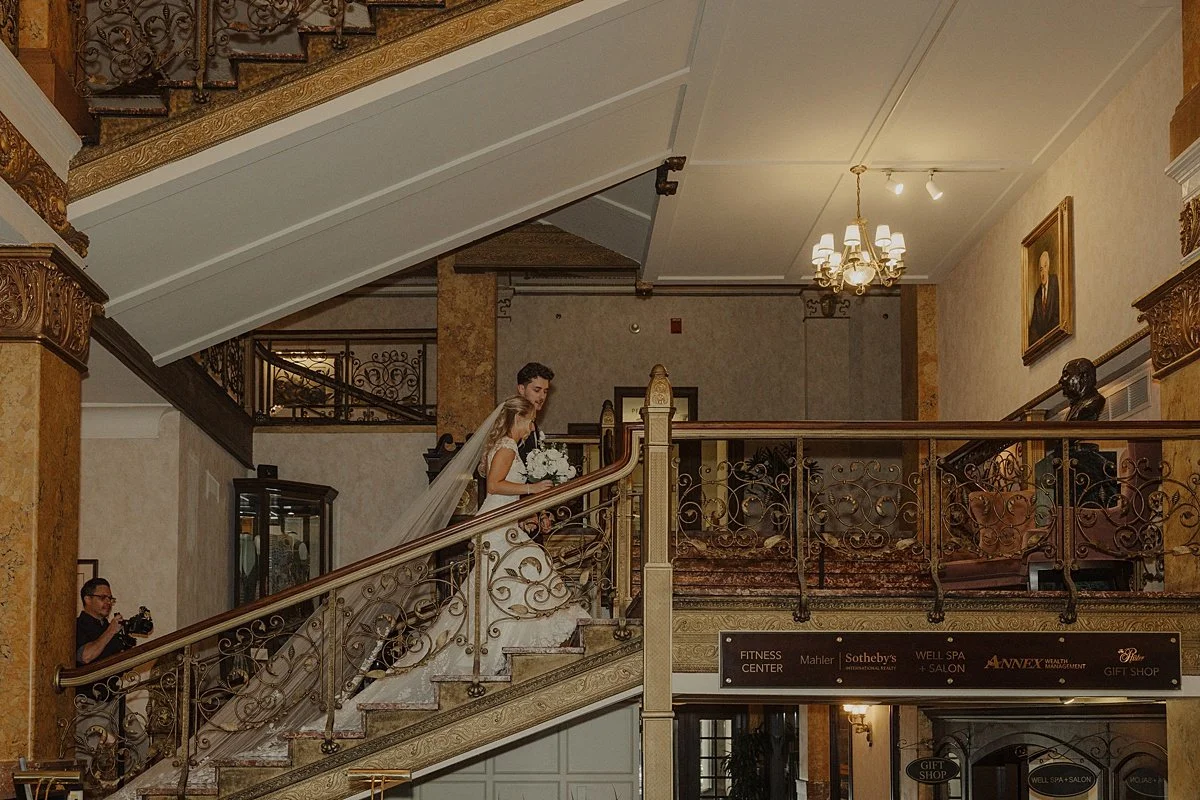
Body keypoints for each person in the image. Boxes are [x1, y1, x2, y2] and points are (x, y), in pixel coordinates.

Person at [340, 395, 587, 709]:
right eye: (529, 420)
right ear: (518, 419)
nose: (532, 426)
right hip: (496, 525)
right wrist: (534, 489)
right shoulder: (509, 447)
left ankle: (494, 648)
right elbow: (495, 486)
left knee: (494, 590)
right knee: (528, 572)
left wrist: (524, 513)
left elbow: (498, 491)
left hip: (502, 521)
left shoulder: (501, 446)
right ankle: (497, 648)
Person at [76, 578, 130, 666]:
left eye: (110, 598)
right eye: (103, 597)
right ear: (87, 599)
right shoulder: (75, 626)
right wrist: (111, 631)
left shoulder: (110, 627)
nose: (108, 602)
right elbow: (85, 657)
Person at [515, 362, 554, 464]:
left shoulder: (533, 422)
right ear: (521, 389)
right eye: (537, 390)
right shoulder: (514, 422)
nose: (542, 397)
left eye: (545, 391)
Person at [1028, 250, 1060, 344]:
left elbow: (1059, 313)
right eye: (1041, 269)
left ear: (1048, 267)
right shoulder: (1037, 296)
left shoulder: (1055, 283)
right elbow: (1034, 327)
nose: (1043, 273)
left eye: (1045, 267)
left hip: (1055, 337)